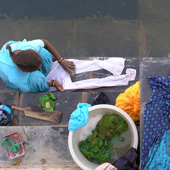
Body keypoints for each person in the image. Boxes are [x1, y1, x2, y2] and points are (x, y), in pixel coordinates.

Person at [0, 39, 75, 92]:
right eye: (36, 68)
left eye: (39, 64)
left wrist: (61, 61)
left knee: (43, 53)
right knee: (36, 79)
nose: (41, 66)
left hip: (23, 65)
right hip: (19, 80)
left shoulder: (28, 47)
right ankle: (41, 82)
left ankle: (41, 73)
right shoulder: (15, 76)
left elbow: (45, 42)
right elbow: (28, 87)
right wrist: (51, 83)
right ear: (23, 71)